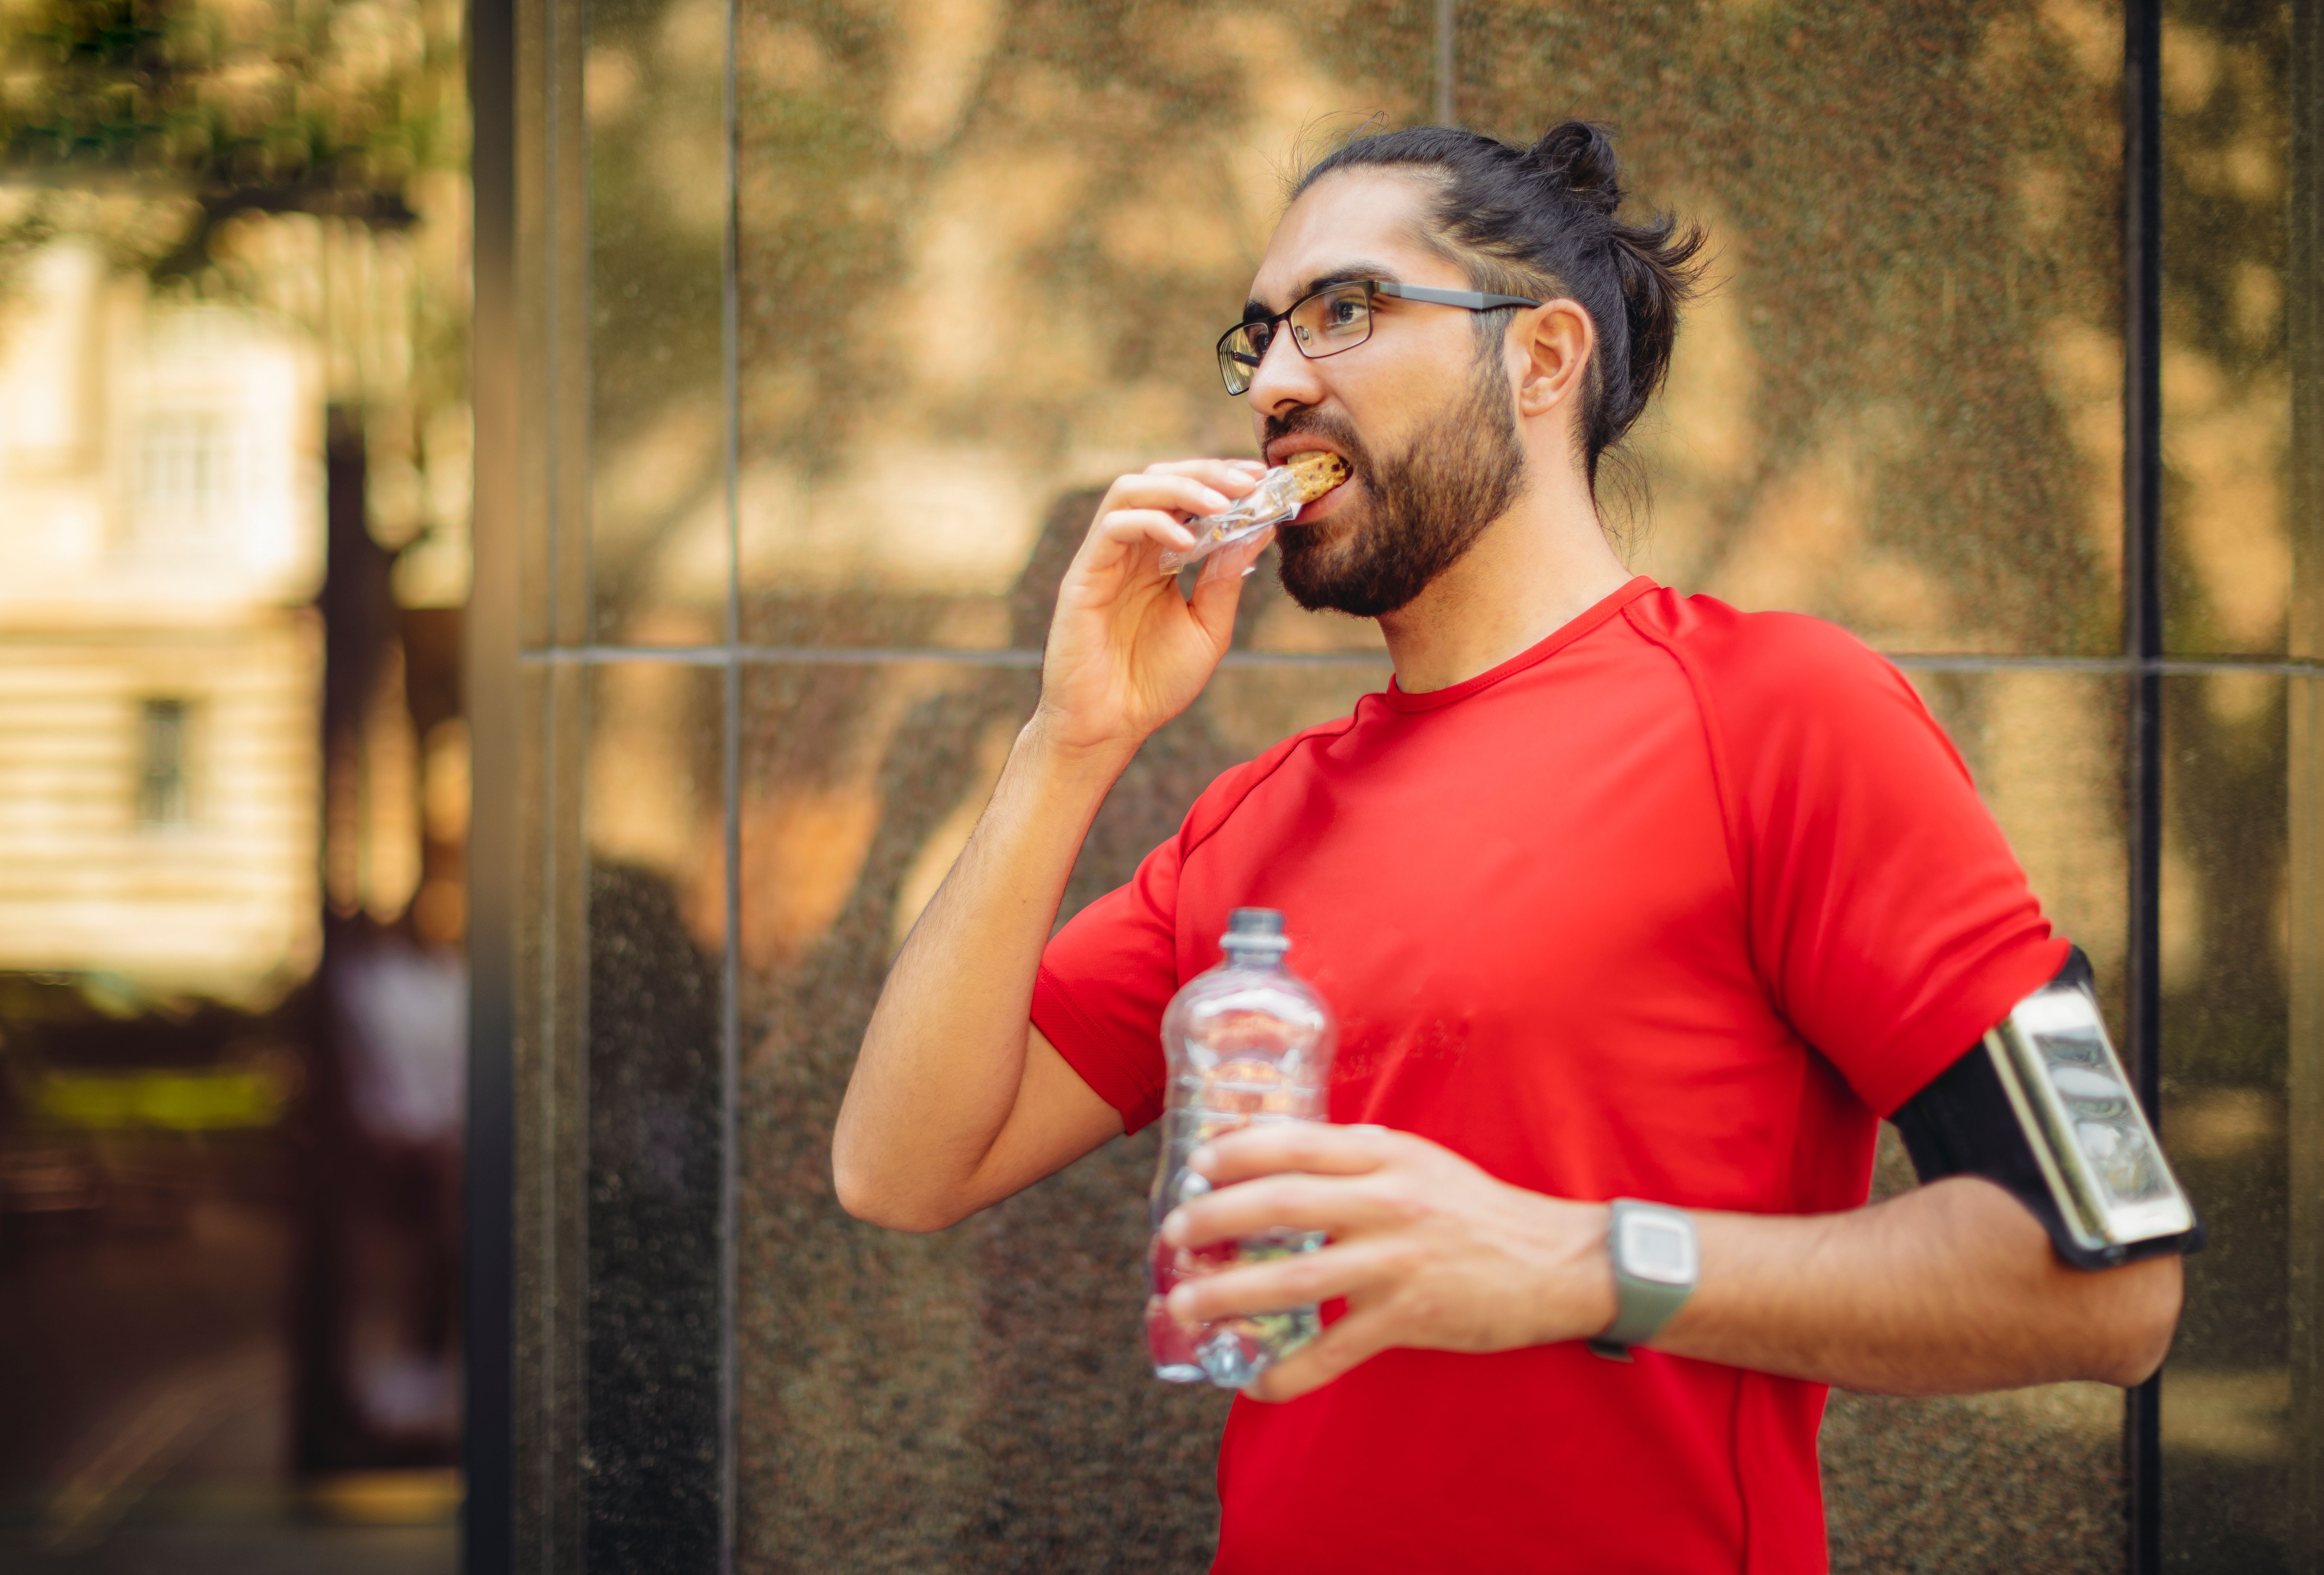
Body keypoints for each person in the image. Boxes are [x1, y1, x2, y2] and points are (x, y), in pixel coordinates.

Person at [832, 122, 2185, 1573]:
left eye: (1345, 311)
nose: (1278, 383)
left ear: (1541, 360)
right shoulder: (1255, 820)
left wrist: (1572, 1261)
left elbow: (2109, 1284)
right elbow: (903, 1170)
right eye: (1262, 337)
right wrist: (1070, 740)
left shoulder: (1787, 714)